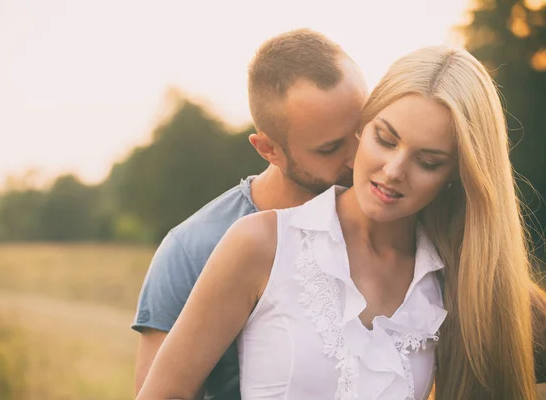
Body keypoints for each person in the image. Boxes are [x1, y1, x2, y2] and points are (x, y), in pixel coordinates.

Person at [136, 45, 544, 400]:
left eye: (428, 161)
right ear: (361, 130)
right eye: (385, 139)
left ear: (456, 175)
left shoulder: (458, 278)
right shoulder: (260, 242)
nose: (394, 169)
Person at [131, 28, 368, 399]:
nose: (359, 157)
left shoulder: (387, 221)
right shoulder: (192, 249)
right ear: (268, 149)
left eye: (363, 129)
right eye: (330, 148)